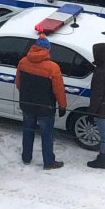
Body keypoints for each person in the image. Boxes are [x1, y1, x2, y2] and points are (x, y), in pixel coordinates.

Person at [15, 35, 67, 170]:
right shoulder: (52, 67)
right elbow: (58, 90)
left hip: (27, 105)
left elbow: (18, 84)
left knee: (28, 131)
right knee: (47, 135)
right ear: (47, 50)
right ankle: (48, 162)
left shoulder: (23, 62)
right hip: (46, 108)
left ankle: (26, 157)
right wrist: (62, 105)